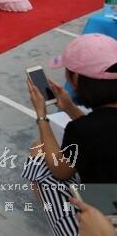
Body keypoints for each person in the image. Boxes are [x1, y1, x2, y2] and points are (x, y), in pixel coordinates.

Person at [22, 33, 117, 236]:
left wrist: (41, 116)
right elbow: (103, 129)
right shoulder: (89, 128)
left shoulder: (83, 131)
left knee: (39, 155)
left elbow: (60, 171)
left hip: (105, 222)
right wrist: (69, 108)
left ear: (75, 79)